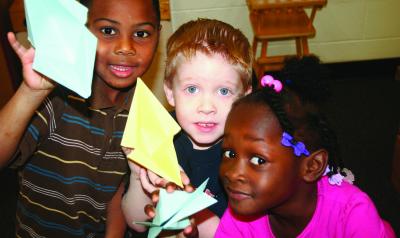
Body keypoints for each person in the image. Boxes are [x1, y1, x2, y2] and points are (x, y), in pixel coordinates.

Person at [0, 0, 161, 237]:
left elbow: (117, 190)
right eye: (108, 30)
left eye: (141, 33)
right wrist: (30, 92)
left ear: (158, 35)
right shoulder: (56, 97)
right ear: (81, 31)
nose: (126, 47)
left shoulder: (144, 113)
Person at [215, 56, 396, 237]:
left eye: (258, 160)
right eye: (230, 153)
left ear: (312, 166)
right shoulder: (240, 219)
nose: (232, 173)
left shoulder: (351, 214)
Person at [122, 18, 253, 237]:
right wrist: (137, 177)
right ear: (170, 93)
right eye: (192, 89)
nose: (207, 107)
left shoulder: (249, 148)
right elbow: (136, 223)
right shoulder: (159, 138)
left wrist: (192, 213)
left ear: (244, 99)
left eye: (223, 91)